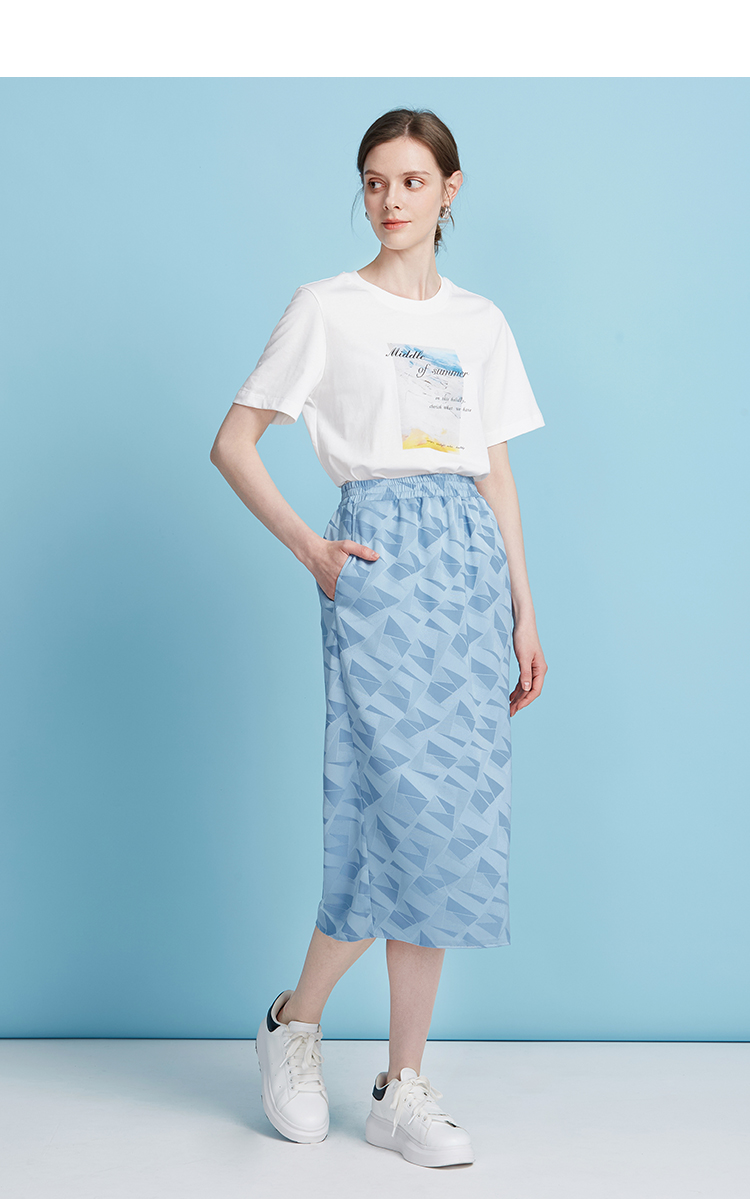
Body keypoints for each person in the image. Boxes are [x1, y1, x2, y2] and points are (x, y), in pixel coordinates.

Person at [210, 107, 548, 1170]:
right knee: (388, 804)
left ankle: (404, 1085)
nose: (390, 200)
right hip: (378, 563)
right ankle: (294, 1020)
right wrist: (311, 547)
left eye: (410, 180)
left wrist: (523, 606)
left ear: (450, 190)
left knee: (452, 818)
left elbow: (495, 468)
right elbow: (234, 442)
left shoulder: (480, 321)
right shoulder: (328, 307)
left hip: (468, 568)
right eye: (373, 181)